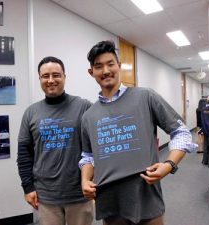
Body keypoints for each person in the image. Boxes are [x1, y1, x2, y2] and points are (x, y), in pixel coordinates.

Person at [80, 41, 197, 225]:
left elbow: (181, 132)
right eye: (98, 66)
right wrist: (85, 180)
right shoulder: (88, 116)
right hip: (110, 201)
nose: (105, 71)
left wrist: (169, 165)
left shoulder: (145, 97)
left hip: (146, 196)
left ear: (119, 66)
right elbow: (88, 156)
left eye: (110, 64)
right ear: (91, 72)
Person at [17, 56, 93, 225]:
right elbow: (24, 155)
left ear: (64, 77)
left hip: (79, 194)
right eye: (45, 76)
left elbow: (97, 146)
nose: (51, 80)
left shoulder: (84, 106)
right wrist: (28, 188)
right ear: (39, 79)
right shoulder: (31, 113)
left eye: (56, 75)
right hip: (46, 196)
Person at [201, 96, 209, 168]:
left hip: (205, 129)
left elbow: (202, 120)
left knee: (205, 146)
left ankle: (205, 161)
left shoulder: (203, 109)